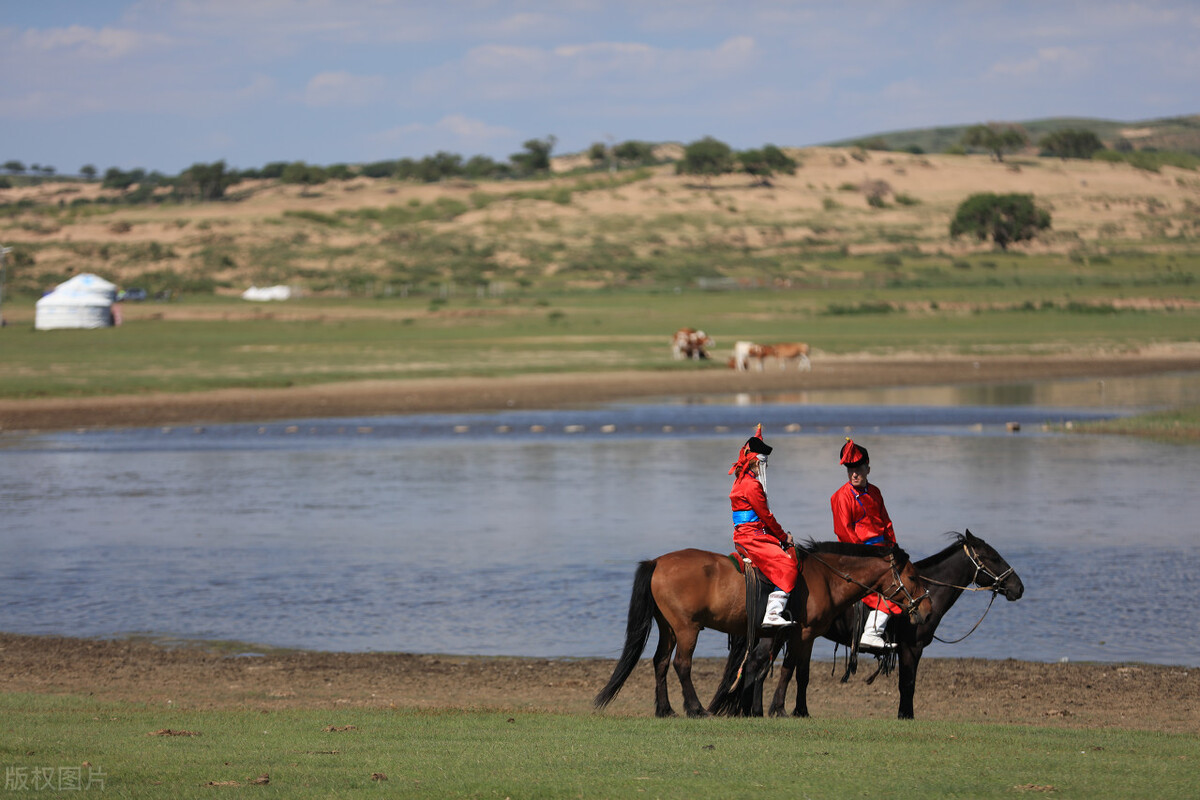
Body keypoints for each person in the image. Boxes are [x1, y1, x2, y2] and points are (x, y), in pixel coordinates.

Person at [830, 438, 900, 649]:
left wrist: (894, 550)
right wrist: (870, 558)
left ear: (868, 468)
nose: (854, 474)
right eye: (850, 469)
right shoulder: (841, 497)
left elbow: (887, 524)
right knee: (890, 589)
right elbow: (844, 532)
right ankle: (872, 632)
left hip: (881, 553)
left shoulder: (875, 492)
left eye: (859, 468)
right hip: (858, 556)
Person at [729, 425, 797, 628]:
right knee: (788, 565)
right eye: (762, 463)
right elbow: (766, 517)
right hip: (753, 538)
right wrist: (784, 537)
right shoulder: (752, 485)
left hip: (743, 535)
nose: (764, 468)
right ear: (755, 462)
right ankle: (773, 612)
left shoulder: (739, 482)